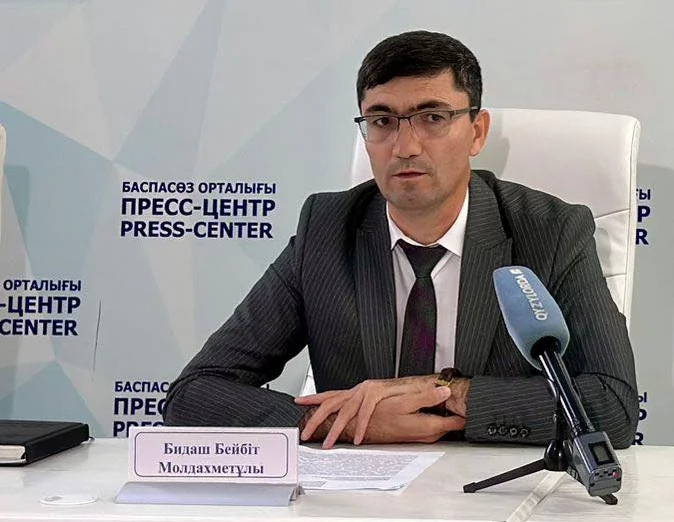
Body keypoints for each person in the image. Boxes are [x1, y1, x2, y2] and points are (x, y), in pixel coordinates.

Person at [165, 31, 638, 449]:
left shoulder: (549, 231)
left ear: (476, 133)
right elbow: (194, 393)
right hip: (358, 501)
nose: (406, 147)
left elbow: (613, 406)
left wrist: (445, 393)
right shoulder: (326, 230)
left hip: (492, 496)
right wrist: (349, 422)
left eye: (432, 117)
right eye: (383, 121)